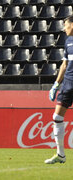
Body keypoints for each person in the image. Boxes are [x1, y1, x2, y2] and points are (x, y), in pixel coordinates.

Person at [45, 16, 73, 164]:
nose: (63, 28)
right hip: (68, 84)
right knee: (57, 118)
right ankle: (60, 155)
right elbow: (64, 65)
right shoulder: (68, 42)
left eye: (65, 25)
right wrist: (56, 85)